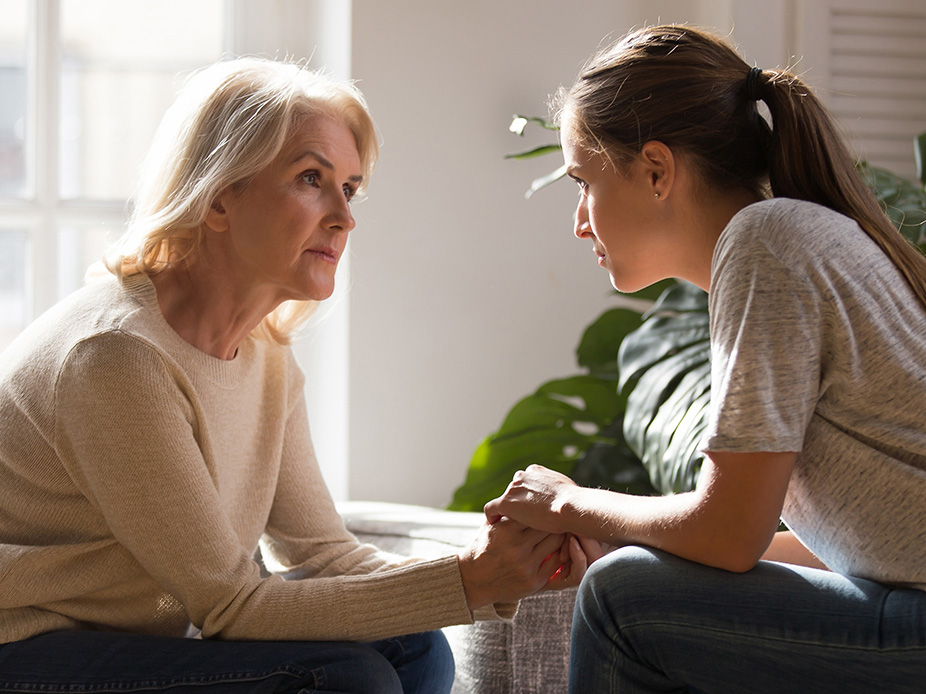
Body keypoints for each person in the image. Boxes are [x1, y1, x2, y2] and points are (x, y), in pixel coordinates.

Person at [0, 57, 595, 693]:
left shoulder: (265, 358)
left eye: (350, 188)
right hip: (26, 645)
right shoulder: (116, 356)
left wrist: (505, 562)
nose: (344, 217)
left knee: (414, 648)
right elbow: (230, 605)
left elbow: (323, 554)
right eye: (311, 178)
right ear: (219, 195)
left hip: (135, 641)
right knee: (347, 679)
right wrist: (470, 579)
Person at [485, 24, 926, 694]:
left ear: (657, 171)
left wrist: (572, 503)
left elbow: (729, 535)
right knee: (628, 578)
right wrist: (629, 539)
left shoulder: (765, 244)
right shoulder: (794, 237)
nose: (579, 221)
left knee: (621, 600)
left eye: (583, 182)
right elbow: (835, 550)